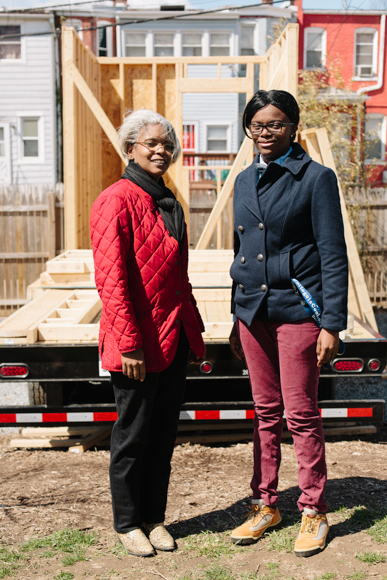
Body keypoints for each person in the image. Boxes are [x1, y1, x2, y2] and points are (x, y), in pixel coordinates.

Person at [228, 90, 348, 557]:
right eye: (257, 125)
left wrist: (332, 324)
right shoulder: (241, 181)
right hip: (252, 314)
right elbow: (240, 254)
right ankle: (266, 503)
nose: (264, 132)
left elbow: (332, 253)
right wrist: (232, 316)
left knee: (300, 413)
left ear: (293, 127)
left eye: (275, 124)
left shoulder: (316, 178)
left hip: (298, 311)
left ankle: (313, 510)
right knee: (264, 413)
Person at [90, 109, 205, 558]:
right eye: (151, 143)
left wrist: (193, 331)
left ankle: (154, 519)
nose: (161, 150)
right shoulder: (116, 199)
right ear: (130, 148)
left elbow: (179, 276)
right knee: (133, 436)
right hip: (136, 343)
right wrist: (129, 344)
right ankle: (127, 523)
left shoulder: (168, 200)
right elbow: (111, 280)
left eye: (167, 143)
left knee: (162, 435)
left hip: (172, 338)